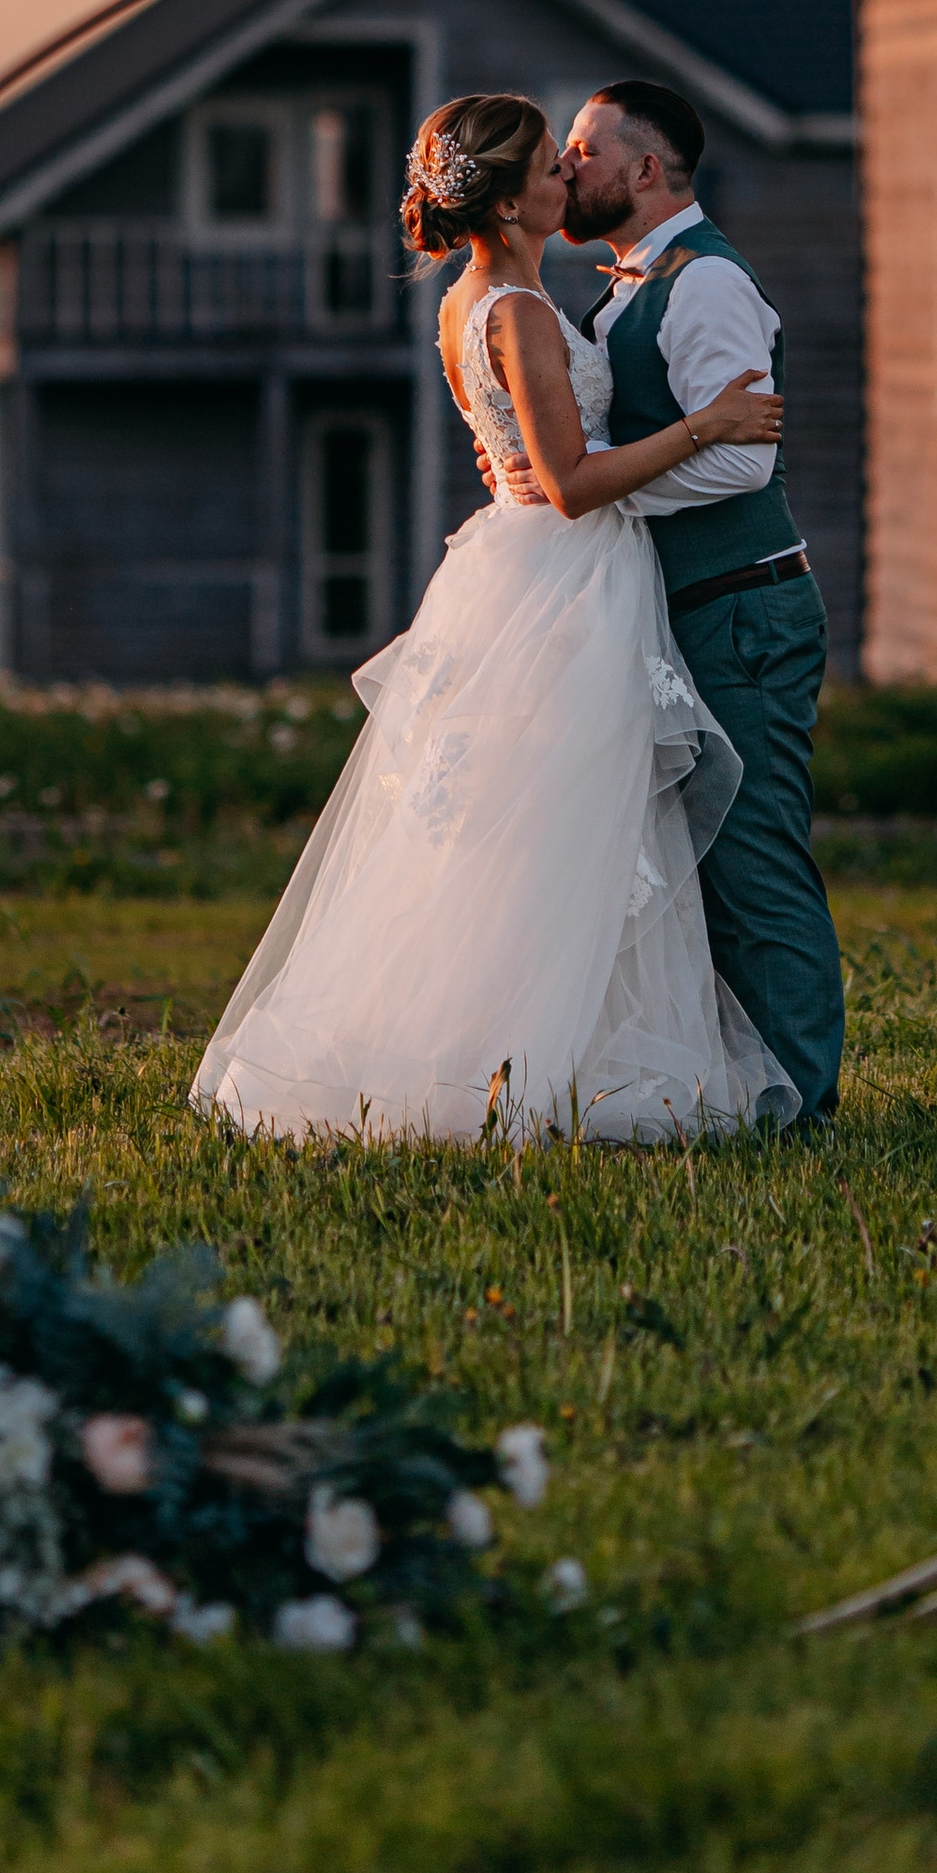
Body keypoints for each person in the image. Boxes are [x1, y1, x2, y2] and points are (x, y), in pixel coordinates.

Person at [191, 93, 798, 1143]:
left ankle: (527, 1045)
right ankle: (531, 1061)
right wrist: (709, 424)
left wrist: (529, 464)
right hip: (567, 579)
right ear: (515, 202)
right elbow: (563, 480)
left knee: (528, 825)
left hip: (525, 570)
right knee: (566, 821)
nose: (569, 174)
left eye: (576, 158)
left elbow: (526, 453)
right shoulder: (514, 311)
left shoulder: (473, 301)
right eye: (553, 167)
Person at [531, 79, 846, 1125]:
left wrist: (596, 491)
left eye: (583, 148)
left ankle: (799, 1103)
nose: (567, 166)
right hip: (683, 614)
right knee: (692, 869)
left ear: (646, 169)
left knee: (753, 861)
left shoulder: (703, 285)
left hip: (742, 609)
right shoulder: (626, 286)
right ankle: (735, 1080)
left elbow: (740, 468)